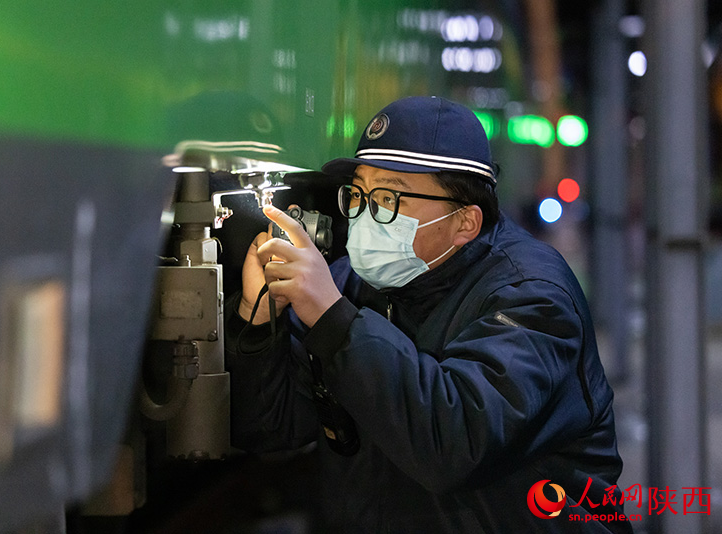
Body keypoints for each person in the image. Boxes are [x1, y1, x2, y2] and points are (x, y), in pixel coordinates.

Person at [225, 96, 632, 533]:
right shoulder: (351, 284)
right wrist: (258, 315)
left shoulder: (532, 297)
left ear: (465, 223)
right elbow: (271, 430)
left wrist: (333, 320)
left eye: (389, 195)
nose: (365, 215)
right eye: (359, 194)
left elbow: (455, 445)